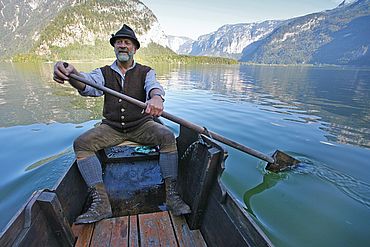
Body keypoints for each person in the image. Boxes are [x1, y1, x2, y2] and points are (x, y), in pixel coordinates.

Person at [53, 24, 191, 224]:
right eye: (119, 42)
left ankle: (172, 195)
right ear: (115, 48)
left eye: (127, 42)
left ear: (134, 49)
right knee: (81, 144)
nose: (123, 46)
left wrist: (157, 99)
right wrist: (72, 73)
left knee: (167, 137)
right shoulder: (103, 73)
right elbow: (86, 84)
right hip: (112, 128)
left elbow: (154, 88)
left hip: (142, 126)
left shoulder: (146, 72)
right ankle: (101, 203)